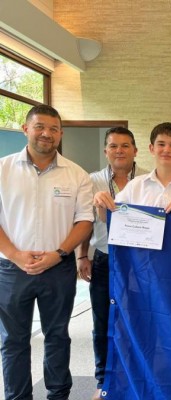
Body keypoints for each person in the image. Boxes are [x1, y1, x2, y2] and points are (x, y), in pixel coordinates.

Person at [0, 104, 94, 400]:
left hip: (58, 268)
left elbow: (85, 221)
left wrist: (59, 253)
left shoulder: (76, 174)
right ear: (26, 129)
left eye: (54, 129)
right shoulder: (2, 170)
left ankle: (58, 395)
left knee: (57, 336)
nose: (46, 133)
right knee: (13, 340)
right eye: (39, 126)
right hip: (12, 269)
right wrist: (15, 254)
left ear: (61, 134)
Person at [76, 127, 147, 400]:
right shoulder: (91, 181)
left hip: (141, 262)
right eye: (114, 146)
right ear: (106, 150)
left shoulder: (148, 180)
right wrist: (83, 255)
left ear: (135, 150)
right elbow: (85, 221)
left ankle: (136, 376)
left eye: (125, 145)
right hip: (105, 258)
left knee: (139, 320)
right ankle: (103, 380)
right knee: (103, 322)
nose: (119, 151)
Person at [94, 122, 171, 217]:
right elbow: (110, 216)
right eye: (161, 144)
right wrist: (102, 202)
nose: (167, 150)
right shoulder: (135, 185)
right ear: (152, 148)